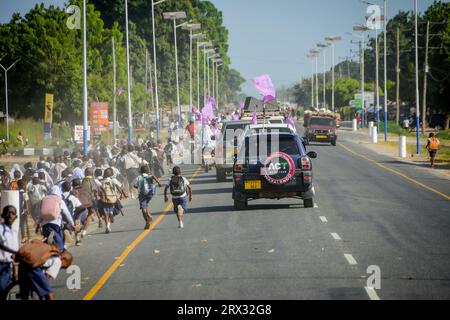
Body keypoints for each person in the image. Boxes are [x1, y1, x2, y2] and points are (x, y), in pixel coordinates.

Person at [99, 168, 127, 234]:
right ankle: (111, 212)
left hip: (104, 199)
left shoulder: (101, 181)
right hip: (113, 198)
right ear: (111, 174)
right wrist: (122, 194)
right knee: (111, 208)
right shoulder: (113, 180)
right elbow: (119, 187)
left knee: (105, 213)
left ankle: (107, 227)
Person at [134, 165, 162, 230]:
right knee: (146, 205)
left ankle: (147, 221)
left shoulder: (138, 177)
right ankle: (148, 214)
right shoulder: (150, 176)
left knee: (143, 208)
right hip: (150, 194)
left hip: (142, 194)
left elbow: (135, 186)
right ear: (148, 171)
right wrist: (159, 183)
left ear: (140, 171)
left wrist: (139, 187)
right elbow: (153, 177)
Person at [0, 205, 19, 298]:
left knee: (5, 291)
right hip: (1, 265)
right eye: (8, 213)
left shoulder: (14, 233)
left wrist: (15, 272)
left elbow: (14, 256)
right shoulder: (1, 229)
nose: (10, 215)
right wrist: (13, 252)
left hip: (7, 267)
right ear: (3, 215)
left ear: (16, 217)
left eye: (13, 213)